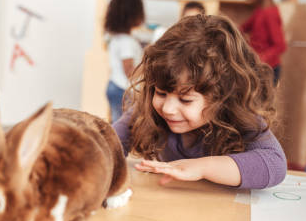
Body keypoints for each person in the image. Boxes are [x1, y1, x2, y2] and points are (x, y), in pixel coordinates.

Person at [113, 14, 287, 189]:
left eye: (185, 100)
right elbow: (110, 143)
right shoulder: (145, 111)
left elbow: (275, 164)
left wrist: (202, 167)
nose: (168, 108)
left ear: (223, 97)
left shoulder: (241, 118)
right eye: (161, 93)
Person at [241, 0, 287, 84]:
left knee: (261, 103)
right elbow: (244, 27)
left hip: (269, 69)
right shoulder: (260, 11)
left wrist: (260, 58)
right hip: (258, 66)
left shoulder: (270, 14)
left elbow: (280, 45)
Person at [104, 0, 145, 122]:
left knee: (118, 122)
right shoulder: (127, 42)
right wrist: (147, 68)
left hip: (114, 85)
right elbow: (129, 71)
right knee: (123, 126)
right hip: (123, 90)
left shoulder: (117, 38)